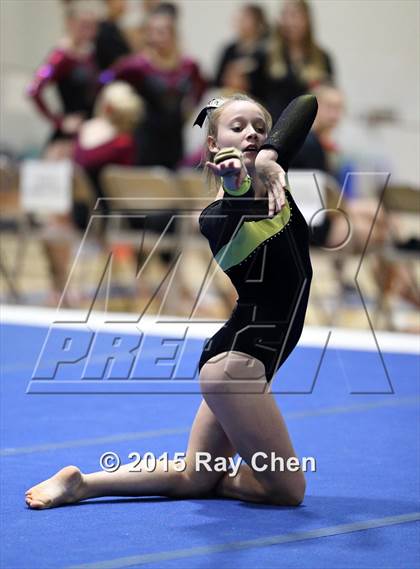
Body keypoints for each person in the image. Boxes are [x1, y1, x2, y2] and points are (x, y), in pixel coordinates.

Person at [25, 93, 318, 509]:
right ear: (214, 146)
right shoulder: (217, 215)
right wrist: (236, 181)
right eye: (237, 127)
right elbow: (238, 198)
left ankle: (83, 483)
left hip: (239, 361)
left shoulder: (274, 180)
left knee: (192, 475)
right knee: (288, 491)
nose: (252, 132)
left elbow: (306, 103)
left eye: (260, 127)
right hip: (237, 367)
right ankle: (229, 483)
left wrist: (270, 157)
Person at [101, 6, 206, 168]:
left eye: (162, 31)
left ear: (173, 34)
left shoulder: (188, 65)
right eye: (153, 32)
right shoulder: (138, 65)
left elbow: (202, 86)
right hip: (146, 138)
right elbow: (104, 79)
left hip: (175, 136)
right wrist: (120, 106)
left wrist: (189, 111)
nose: (157, 37)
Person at [27, 1, 100, 159]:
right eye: (84, 25)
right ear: (71, 24)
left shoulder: (90, 54)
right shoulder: (60, 56)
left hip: (88, 130)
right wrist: (59, 121)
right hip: (68, 135)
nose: (89, 32)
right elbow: (33, 90)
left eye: (92, 26)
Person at [264, 0, 334, 121]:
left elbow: (330, 96)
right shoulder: (265, 54)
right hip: (272, 128)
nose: (290, 22)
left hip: (308, 130)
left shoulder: (322, 57)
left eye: (295, 16)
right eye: (285, 15)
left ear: (307, 20)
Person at [214, 4, 268, 101]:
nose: (241, 22)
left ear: (258, 22)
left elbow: (267, 83)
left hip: (257, 100)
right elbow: (217, 80)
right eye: (240, 18)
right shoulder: (229, 49)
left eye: (246, 18)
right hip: (229, 98)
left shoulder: (266, 50)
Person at [94, 0, 131, 70]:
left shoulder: (119, 27)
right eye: (120, 1)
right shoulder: (102, 29)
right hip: (108, 76)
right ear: (109, 2)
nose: (123, 3)